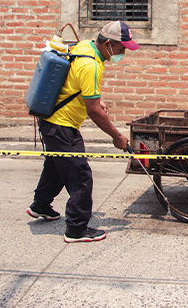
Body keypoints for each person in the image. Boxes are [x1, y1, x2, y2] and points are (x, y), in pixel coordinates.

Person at [26, 20, 139, 243]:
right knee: (80, 176)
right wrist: (117, 136)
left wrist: (99, 98)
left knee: (57, 165)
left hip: (53, 122)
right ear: (108, 44)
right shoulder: (92, 66)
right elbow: (94, 111)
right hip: (61, 125)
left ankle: (41, 205)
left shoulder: (85, 47)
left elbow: (77, 83)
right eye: (121, 48)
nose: (123, 52)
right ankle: (76, 229)